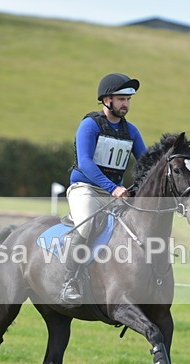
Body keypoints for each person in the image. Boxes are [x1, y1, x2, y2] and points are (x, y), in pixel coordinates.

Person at [60, 73, 148, 304]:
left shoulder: (131, 131)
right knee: (87, 224)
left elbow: (147, 163)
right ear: (106, 100)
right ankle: (68, 280)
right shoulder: (90, 125)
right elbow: (86, 163)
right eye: (121, 99)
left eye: (128, 100)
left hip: (114, 193)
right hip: (85, 188)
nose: (126, 104)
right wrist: (113, 188)